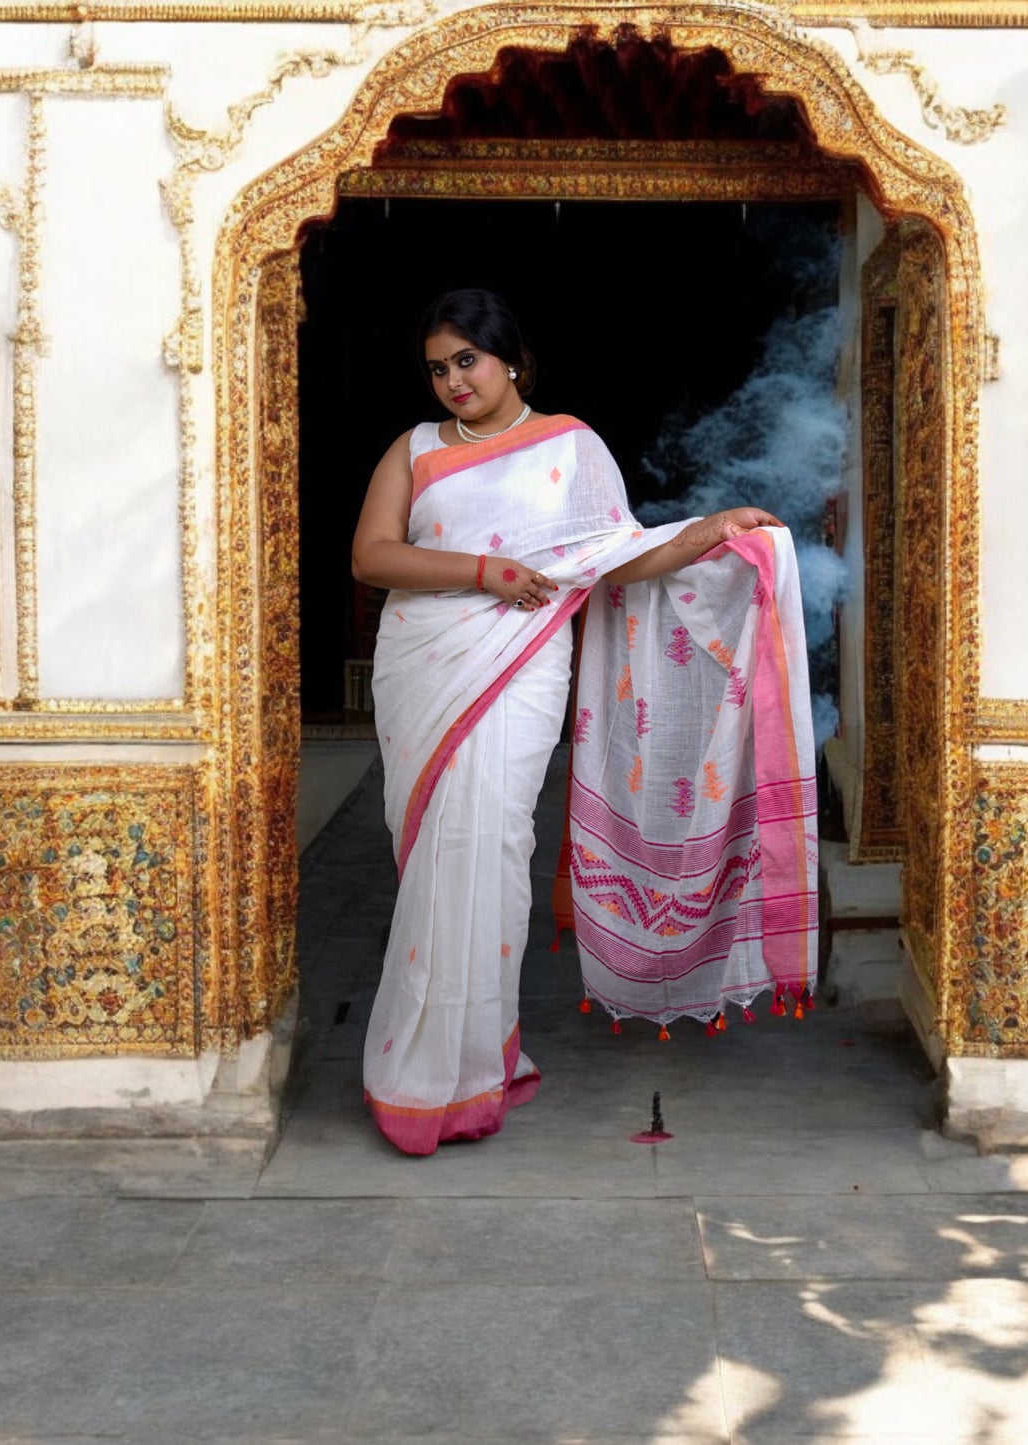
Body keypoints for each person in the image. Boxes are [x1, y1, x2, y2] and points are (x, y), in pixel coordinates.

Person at [351, 288, 818, 1156]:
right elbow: (372, 555)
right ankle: (420, 1073)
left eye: (468, 360)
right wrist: (485, 571)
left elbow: (616, 555)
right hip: (427, 666)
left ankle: (466, 1071)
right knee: (430, 865)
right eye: (437, 367)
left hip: (520, 670)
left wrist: (711, 530)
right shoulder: (412, 451)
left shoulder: (570, 446)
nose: (453, 380)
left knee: (488, 850)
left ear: (511, 360)